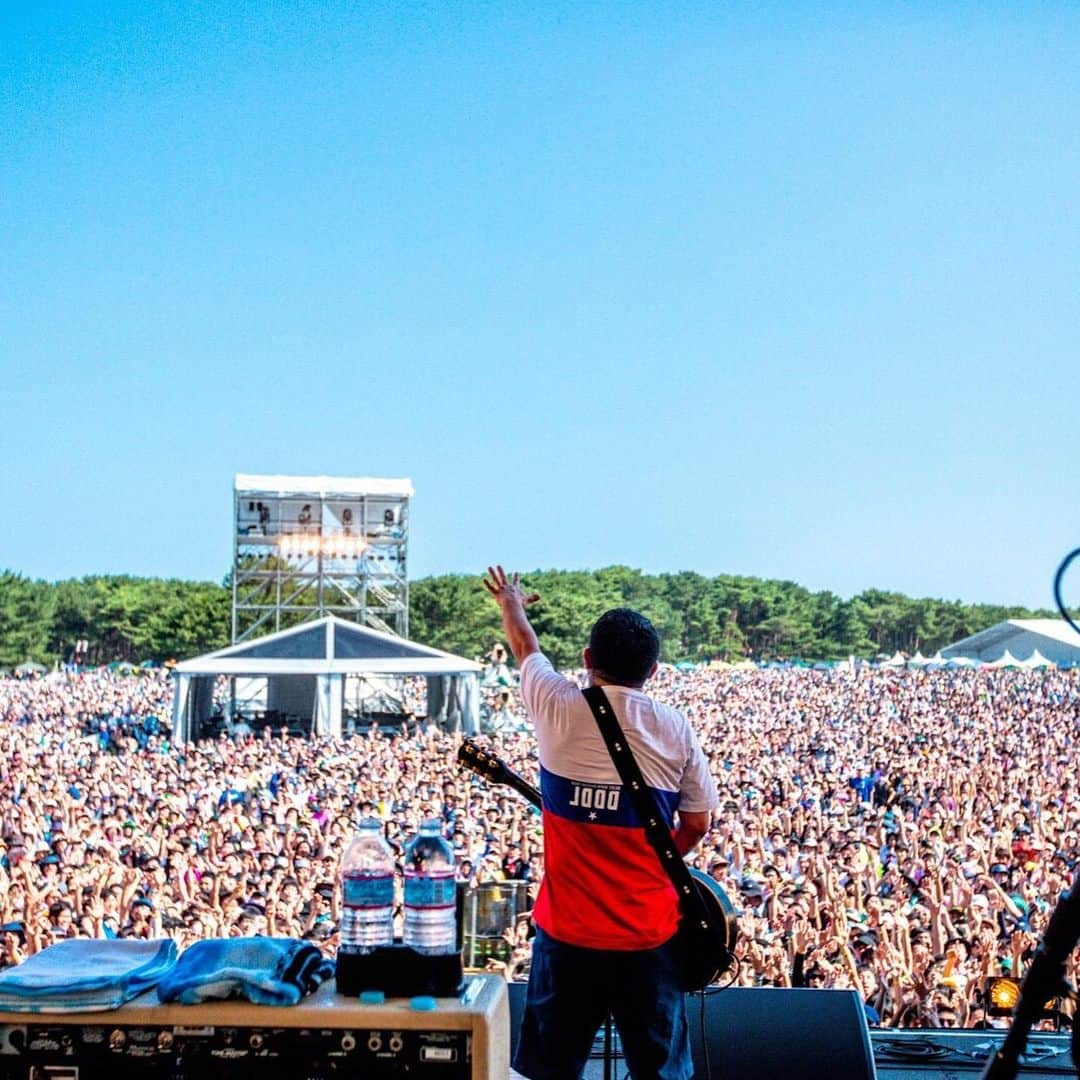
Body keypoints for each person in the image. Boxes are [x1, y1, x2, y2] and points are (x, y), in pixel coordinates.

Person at [483, 566, 717, 1080]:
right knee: (660, 1074)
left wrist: (511, 601)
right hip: (650, 935)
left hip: (568, 936)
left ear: (587, 660)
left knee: (548, 1069)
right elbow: (697, 823)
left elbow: (526, 648)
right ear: (652, 671)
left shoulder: (556, 706)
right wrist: (658, 861)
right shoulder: (674, 727)